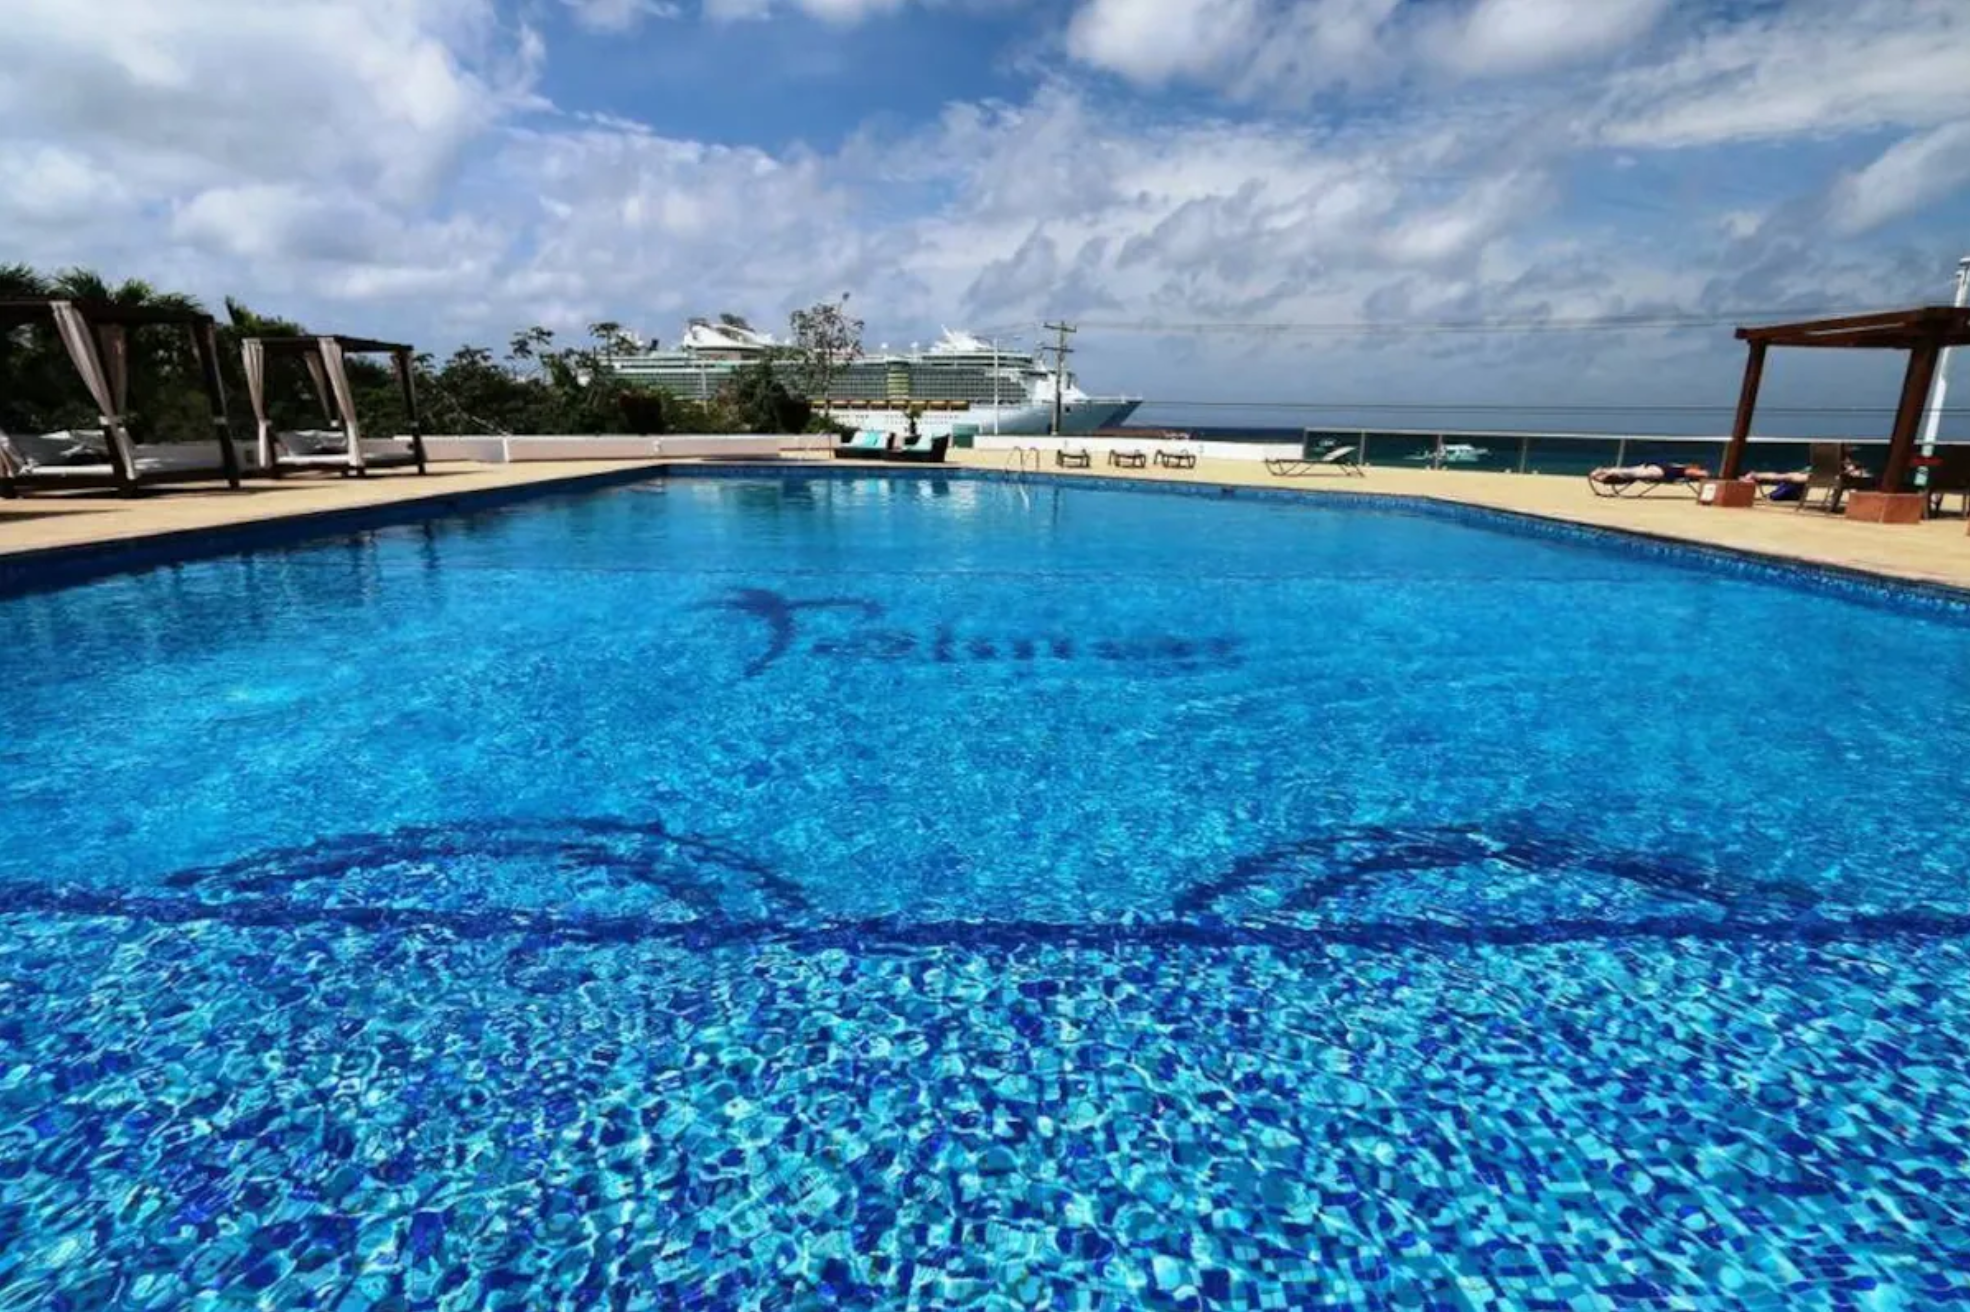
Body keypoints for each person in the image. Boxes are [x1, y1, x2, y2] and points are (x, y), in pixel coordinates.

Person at [1589, 460, 1709, 485]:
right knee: (1633, 471)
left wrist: (1704, 474)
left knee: (1633, 472)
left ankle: (1604, 473)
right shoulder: (1681, 468)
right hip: (1654, 469)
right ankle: (1604, 473)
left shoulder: (1682, 470)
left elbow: (1701, 474)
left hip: (1657, 470)